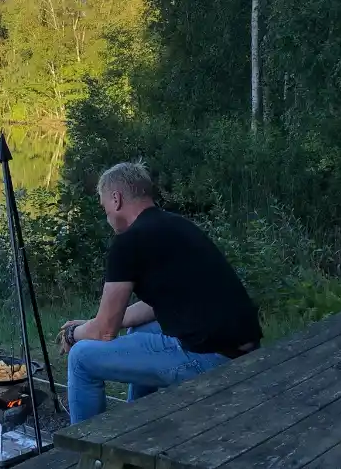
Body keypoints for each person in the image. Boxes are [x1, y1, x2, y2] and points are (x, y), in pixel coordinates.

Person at [58, 161, 262, 424]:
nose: (106, 214)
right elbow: (160, 304)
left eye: (104, 206)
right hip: (245, 349)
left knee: (80, 358)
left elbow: (104, 332)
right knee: (142, 330)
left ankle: (86, 455)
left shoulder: (129, 241)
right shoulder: (176, 226)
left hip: (212, 358)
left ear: (116, 199)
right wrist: (91, 324)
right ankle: (141, 423)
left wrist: (74, 334)